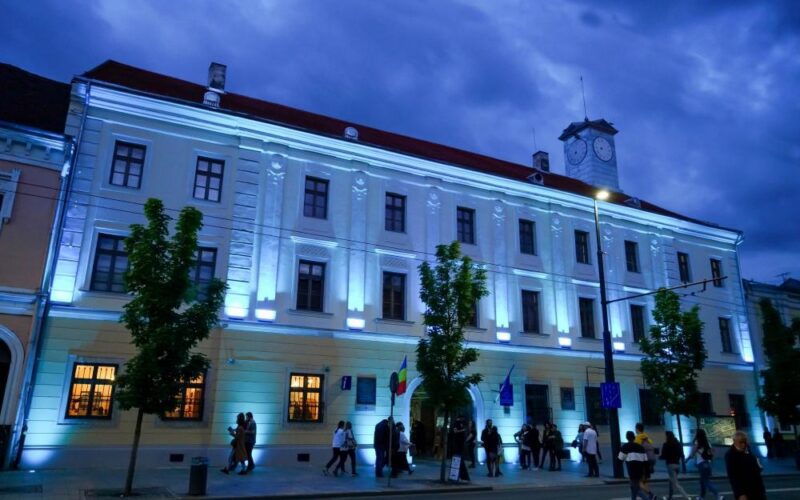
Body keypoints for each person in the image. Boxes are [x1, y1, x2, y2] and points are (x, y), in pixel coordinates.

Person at [725, 431, 766, 500]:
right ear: (734, 441)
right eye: (740, 442)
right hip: (745, 491)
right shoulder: (730, 455)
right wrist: (740, 493)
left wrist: (758, 468)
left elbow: (755, 467)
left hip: (757, 489)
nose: (743, 444)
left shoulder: (748, 449)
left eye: (745, 442)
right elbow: (733, 476)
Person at [689, 428, 723, 500]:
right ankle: (701, 497)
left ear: (697, 434)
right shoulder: (708, 443)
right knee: (702, 481)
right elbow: (712, 454)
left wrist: (686, 459)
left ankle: (718, 496)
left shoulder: (697, 443)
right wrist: (711, 465)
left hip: (701, 464)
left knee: (706, 481)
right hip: (707, 463)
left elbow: (692, 454)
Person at [618, 430, 653, 500]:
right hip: (640, 471)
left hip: (632, 471)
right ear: (634, 437)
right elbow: (646, 462)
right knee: (634, 488)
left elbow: (620, 459)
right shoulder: (640, 447)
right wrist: (647, 474)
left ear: (627, 438)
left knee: (635, 489)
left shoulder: (625, 447)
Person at [660, 431, 691, 500]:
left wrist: (660, 456)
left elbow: (663, 456)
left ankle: (687, 497)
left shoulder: (666, 444)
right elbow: (682, 455)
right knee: (671, 481)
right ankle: (670, 496)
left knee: (676, 483)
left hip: (670, 466)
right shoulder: (677, 444)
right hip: (677, 465)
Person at [634, 423, 656, 497]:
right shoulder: (647, 437)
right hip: (649, 462)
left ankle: (651, 494)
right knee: (645, 481)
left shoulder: (637, 438)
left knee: (639, 482)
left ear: (637, 429)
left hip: (642, 462)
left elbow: (636, 449)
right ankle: (650, 495)